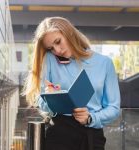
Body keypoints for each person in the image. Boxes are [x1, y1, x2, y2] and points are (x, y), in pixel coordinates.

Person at [23, 17, 120, 150]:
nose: (57, 50)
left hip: (92, 137)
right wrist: (52, 100)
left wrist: (91, 118)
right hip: (59, 135)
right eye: (51, 48)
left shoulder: (105, 63)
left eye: (58, 42)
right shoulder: (50, 60)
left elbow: (113, 108)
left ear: (69, 33)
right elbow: (40, 98)